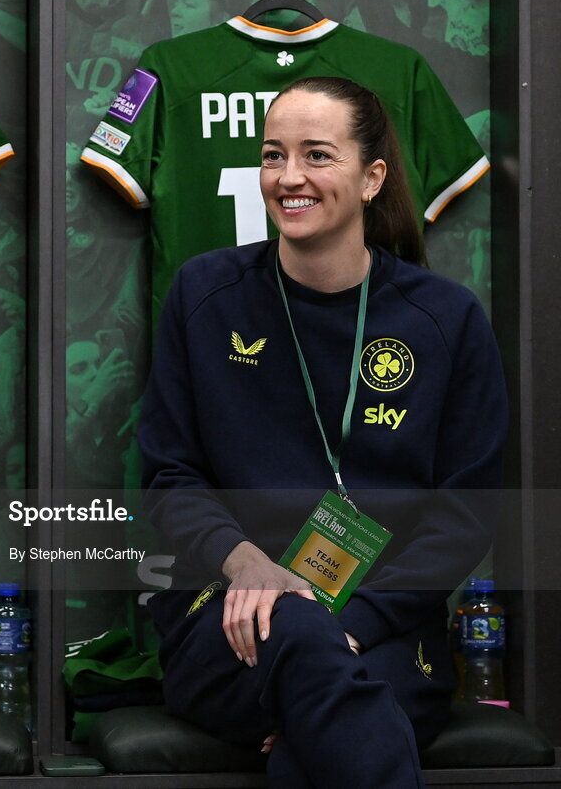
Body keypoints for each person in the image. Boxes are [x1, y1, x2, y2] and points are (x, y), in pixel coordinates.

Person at [138, 76, 506, 787]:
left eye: (316, 155)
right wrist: (246, 562)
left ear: (372, 178)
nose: (289, 177)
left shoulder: (447, 319)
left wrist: (349, 627)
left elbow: (465, 517)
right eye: (273, 155)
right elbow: (168, 477)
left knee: (321, 716)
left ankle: (312, 679)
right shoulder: (202, 294)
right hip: (229, 625)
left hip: (391, 631)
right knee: (332, 674)